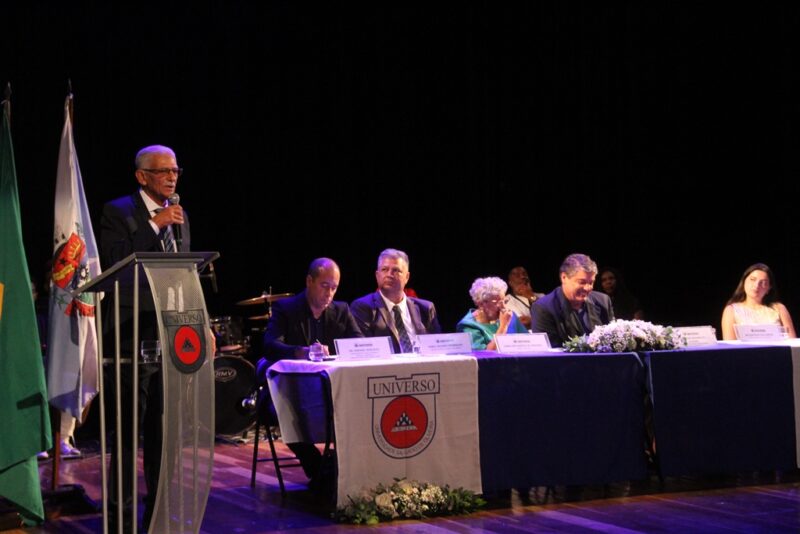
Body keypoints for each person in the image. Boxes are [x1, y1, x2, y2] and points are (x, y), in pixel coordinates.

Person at [99, 145, 190, 531]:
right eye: (163, 171)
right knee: (126, 436)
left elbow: (185, 272)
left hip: (169, 337)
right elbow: (114, 262)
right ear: (142, 176)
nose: (171, 177)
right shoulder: (118, 211)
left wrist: (195, 328)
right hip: (127, 336)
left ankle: (155, 518)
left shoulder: (181, 216)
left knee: (163, 434)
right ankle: (121, 522)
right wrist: (155, 226)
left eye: (175, 170)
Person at [262, 257, 362, 484]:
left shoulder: (341, 310)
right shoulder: (286, 308)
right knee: (287, 411)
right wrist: (301, 352)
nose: (329, 293)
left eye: (334, 288)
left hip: (331, 388)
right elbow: (269, 345)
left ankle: (341, 465)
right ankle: (318, 468)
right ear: (309, 281)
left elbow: (358, 344)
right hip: (291, 389)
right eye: (324, 286)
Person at [351, 248, 441, 353]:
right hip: (386, 368)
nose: (389, 274)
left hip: (424, 367)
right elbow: (365, 351)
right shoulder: (363, 307)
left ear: (407, 277)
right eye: (384, 269)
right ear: (377, 275)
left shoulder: (426, 308)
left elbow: (437, 348)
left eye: (396, 270)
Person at [531, 253, 615, 347]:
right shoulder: (543, 308)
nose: (587, 288)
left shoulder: (603, 301)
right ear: (564, 278)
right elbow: (550, 354)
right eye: (582, 282)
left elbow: (612, 342)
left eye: (591, 282)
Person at [721, 263, 796, 340]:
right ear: (744, 282)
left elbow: (792, 342)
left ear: (769, 288)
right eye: (752, 279)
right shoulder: (731, 310)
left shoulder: (779, 308)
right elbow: (730, 345)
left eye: (763, 282)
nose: (756, 285)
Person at [456, 276, 527, 350]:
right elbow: (483, 357)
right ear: (480, 303)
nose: (504, 307)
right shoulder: (468, 326)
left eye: (505, 301)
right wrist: (503, 327)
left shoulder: (509, 316)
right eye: (497, 303)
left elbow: (528, 344)